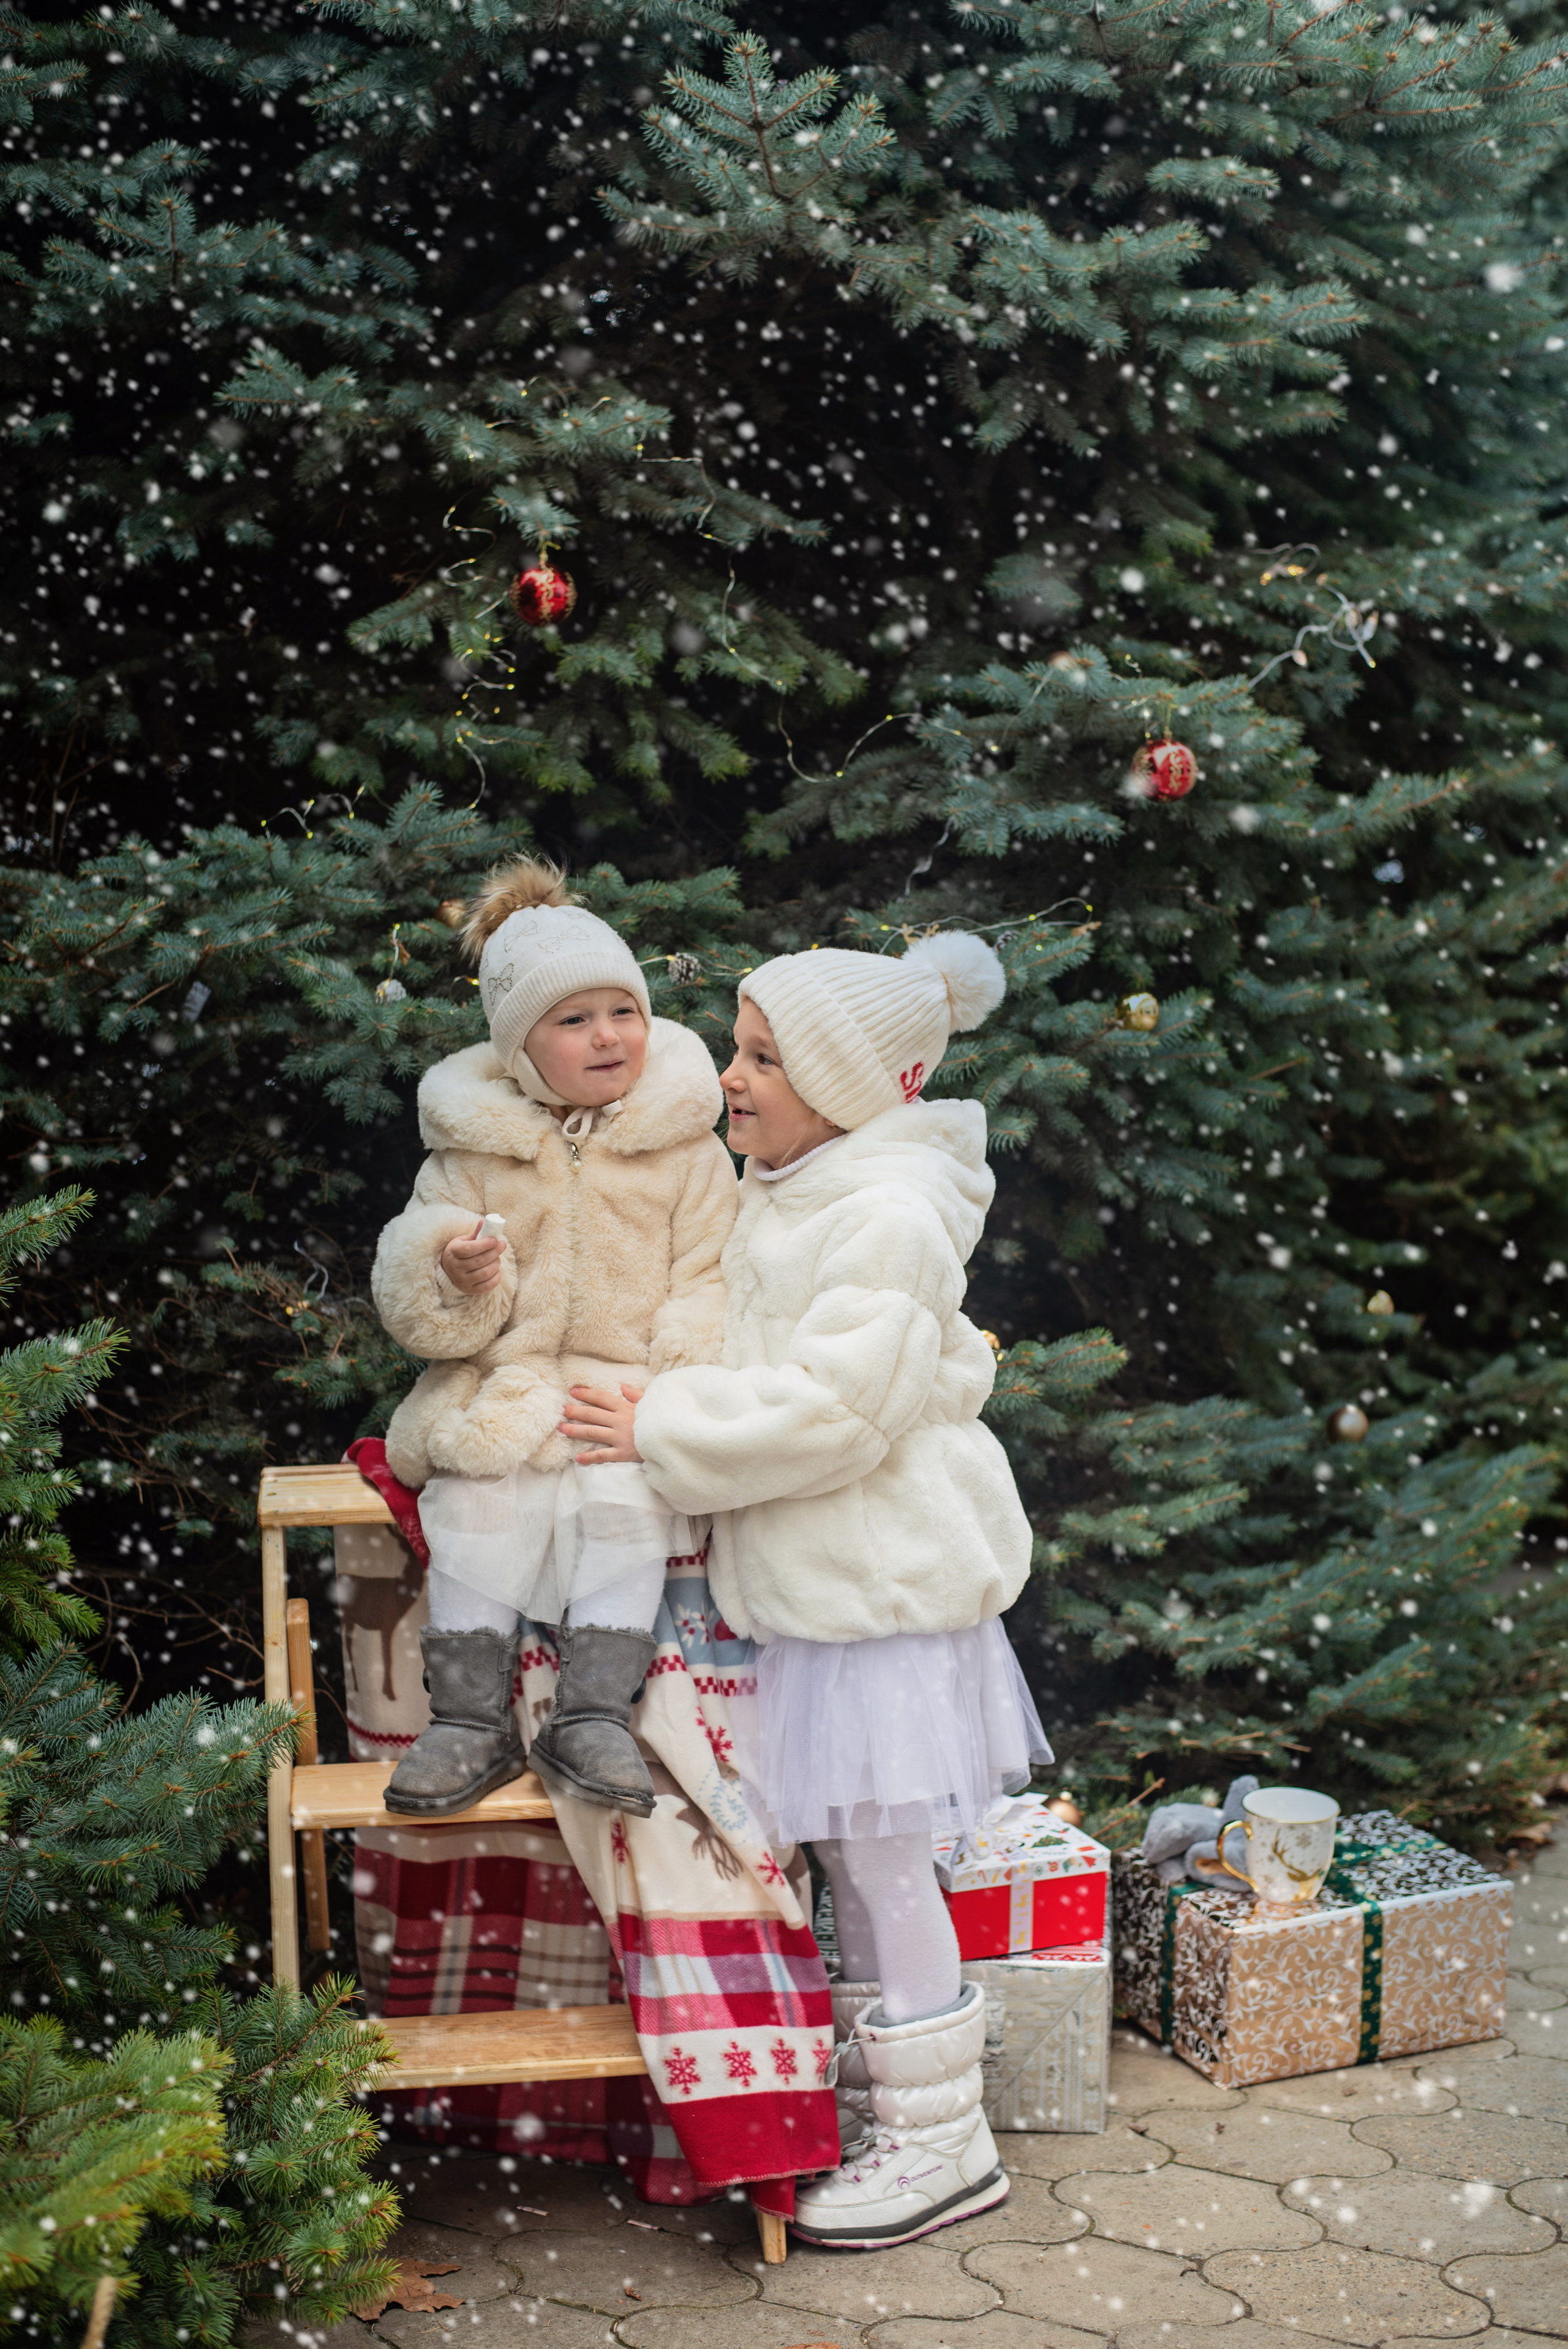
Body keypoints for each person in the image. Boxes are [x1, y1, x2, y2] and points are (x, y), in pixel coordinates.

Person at [560, 932, 1050, 2250]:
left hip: (879, 1594)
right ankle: (896, 2093)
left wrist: (660, 1421)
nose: (731, 1077)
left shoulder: (881, 1209)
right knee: (849, 1859)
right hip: (824, 1586)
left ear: (847, 1084)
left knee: (885, 1865)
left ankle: (943, 2144)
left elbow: (833, 1409)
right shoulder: (801, 1180)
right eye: (737, 1046)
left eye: (763, 1058)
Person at [370, 858, 737, 1820]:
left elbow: (712, 1275)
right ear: (519, 1048)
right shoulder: (471, 1148)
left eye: (622, 1010)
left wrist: (669, 1390)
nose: (607, 1035)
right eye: (572, 1021)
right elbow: (413, 1283)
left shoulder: (686, 1145)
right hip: (506, 1378)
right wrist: (455, 1273)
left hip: (621, 1387)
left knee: (625, 1495)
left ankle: (593, 1715)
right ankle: (468, 1721)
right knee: (476, 1494)